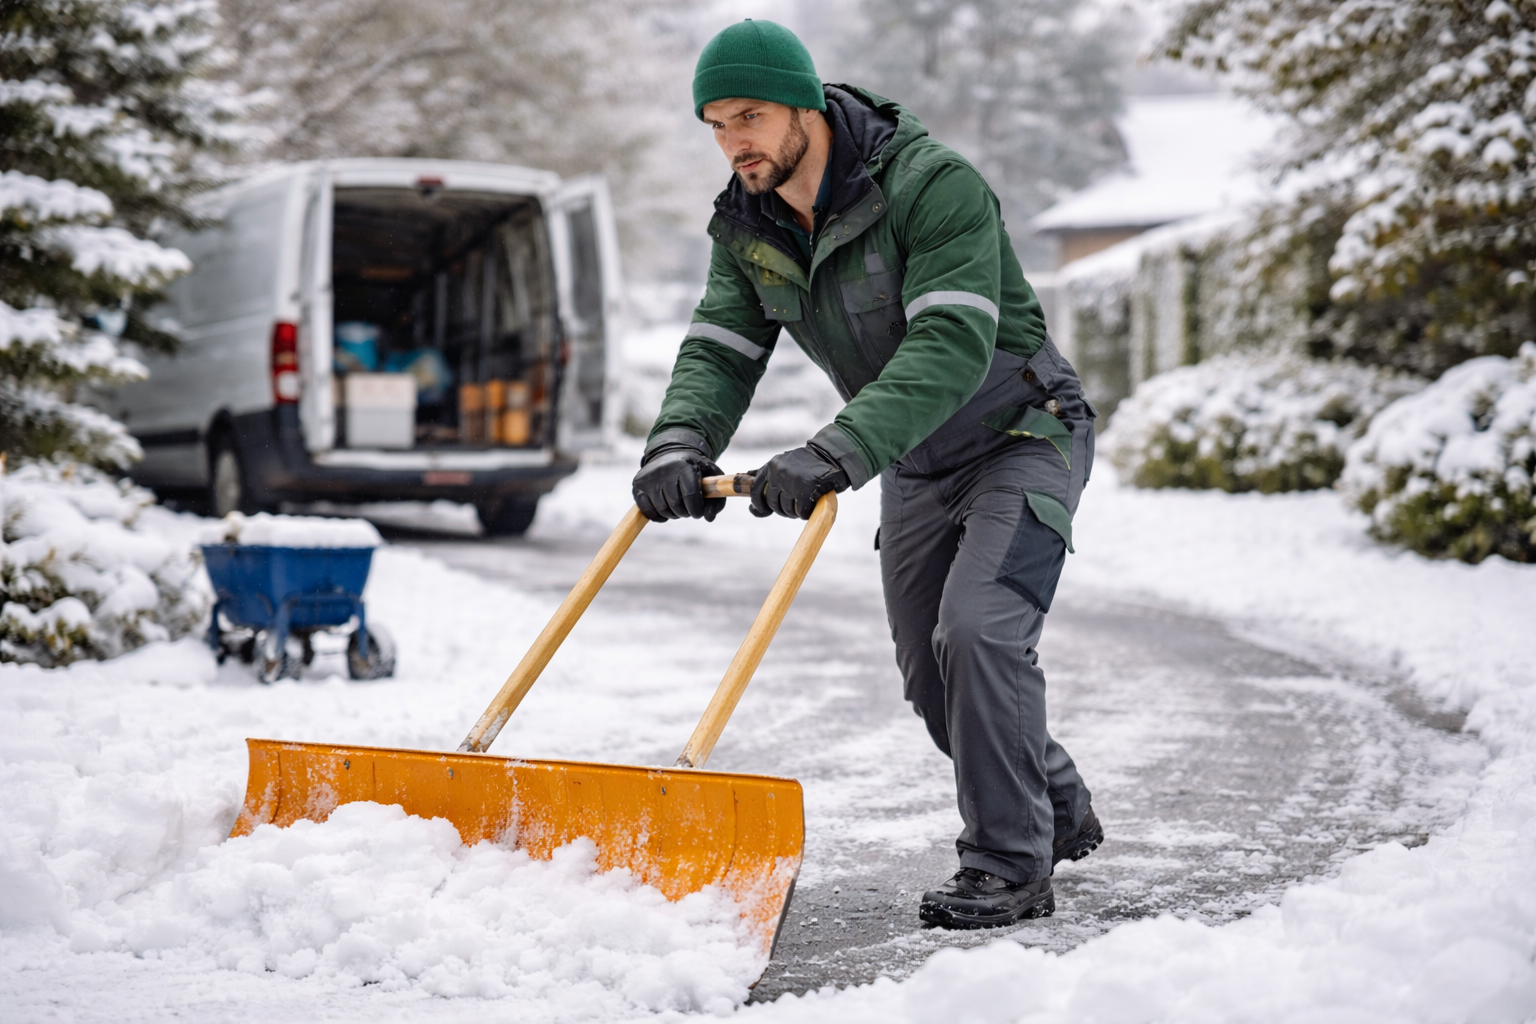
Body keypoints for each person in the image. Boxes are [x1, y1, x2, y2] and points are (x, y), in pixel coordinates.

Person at [632, 19, 1103, 929]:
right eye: (717, 124)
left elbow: (951, 342)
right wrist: (677, 444)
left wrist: (834, 452)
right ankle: (1055, 804)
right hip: (916, 458)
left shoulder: (933, 187)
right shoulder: (748, 223)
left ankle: (1010, 864)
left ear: (805, 105)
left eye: (751, 116)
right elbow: (722, 347)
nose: (735, 142)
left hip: (1021, 431)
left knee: (977, 638)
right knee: (936, 687)